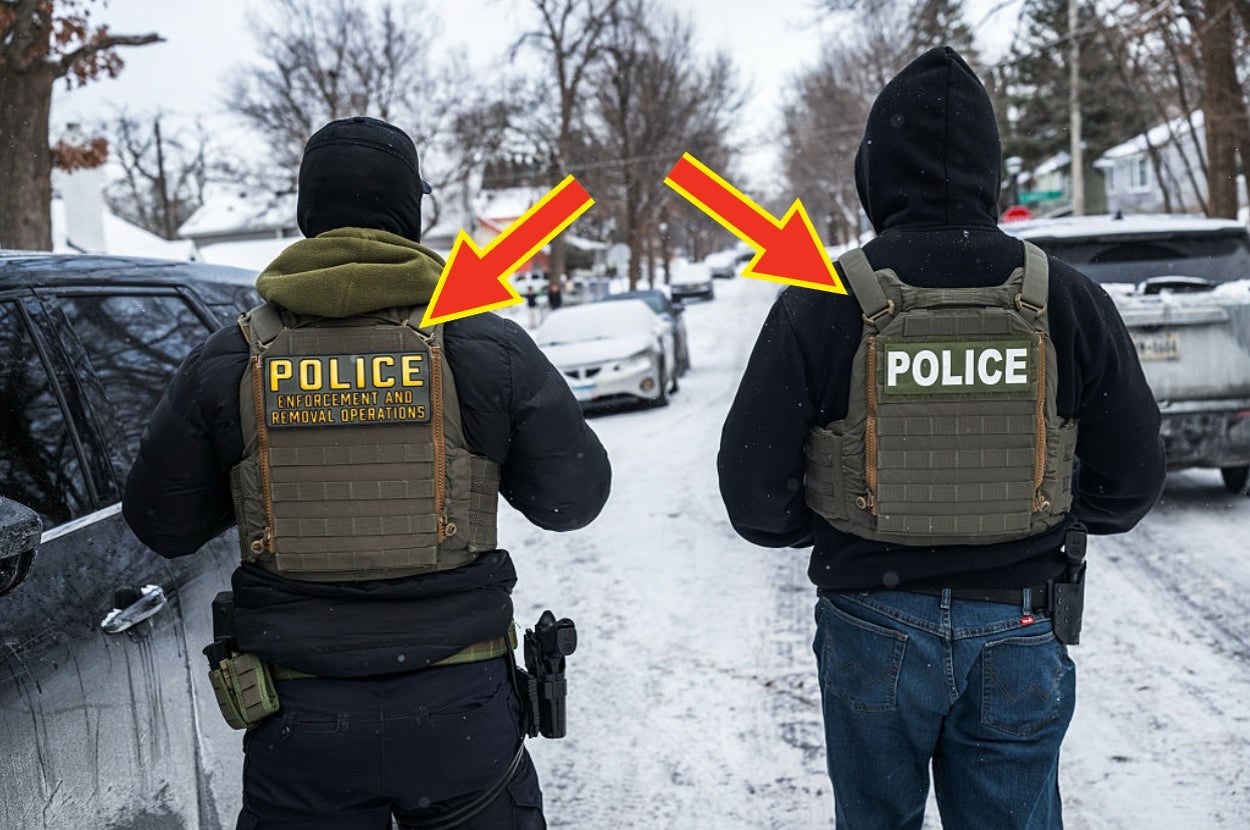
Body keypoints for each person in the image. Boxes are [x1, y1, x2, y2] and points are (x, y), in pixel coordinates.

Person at [718, 47, 1165, 830]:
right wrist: (1043, 516)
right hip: (1020, 622)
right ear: (991, 172)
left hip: (870, 625)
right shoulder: (1069, 298)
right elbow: (1131, 481)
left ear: (874, 173)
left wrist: (845, 524)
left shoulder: (823, 301)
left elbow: (753, 496)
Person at [123, 116, 611, 830]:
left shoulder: (227, 360)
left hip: (300, 720)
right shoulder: (482, 343)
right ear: (409, 214)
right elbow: (574, 500)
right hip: (462, 710)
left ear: (308, 213)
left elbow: (161, 523)